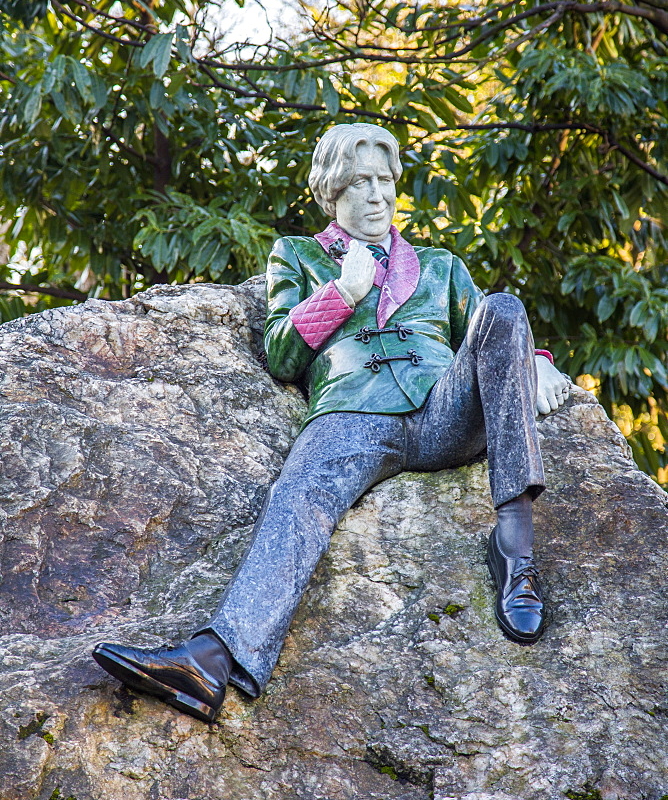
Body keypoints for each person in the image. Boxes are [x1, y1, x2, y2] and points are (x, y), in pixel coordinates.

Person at [93, 123, 570, 723]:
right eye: (359, 182)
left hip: (448, 411)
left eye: (385, 181)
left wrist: (535, 362)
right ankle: (212, 660)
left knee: (506, 304)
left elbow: (492, 333)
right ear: (331, 192)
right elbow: (281, 353)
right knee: (298, 494)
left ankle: (514, 553)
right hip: (352, 413)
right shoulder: (295, 255)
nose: (376, 194)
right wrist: (342, 292)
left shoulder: (441, 266)